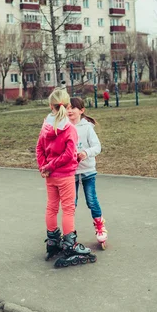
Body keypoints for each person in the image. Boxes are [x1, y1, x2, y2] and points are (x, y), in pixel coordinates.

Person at [36, 88, 96, 268]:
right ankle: (70, 244)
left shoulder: (46, 124)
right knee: (68, 209)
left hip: (50, 176)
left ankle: (53, 240)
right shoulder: (69, 128)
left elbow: (39, 148)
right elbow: (70, 155)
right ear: (67, 104)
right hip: (65, 175)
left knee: (52, 207)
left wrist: (44, 167)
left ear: (50, 105)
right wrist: (51, 166)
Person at [68, 97, 107, 249]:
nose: (69, 110)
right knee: (72, 203)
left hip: (88, 170)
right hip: (70, 172)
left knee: (91, 200)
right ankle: (69, 232)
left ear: (81, 110)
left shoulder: (87, 128)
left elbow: (97, 147)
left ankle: (99, 226)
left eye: (73, 107)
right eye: (67, 108)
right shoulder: (64, 127)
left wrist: (85, 153)